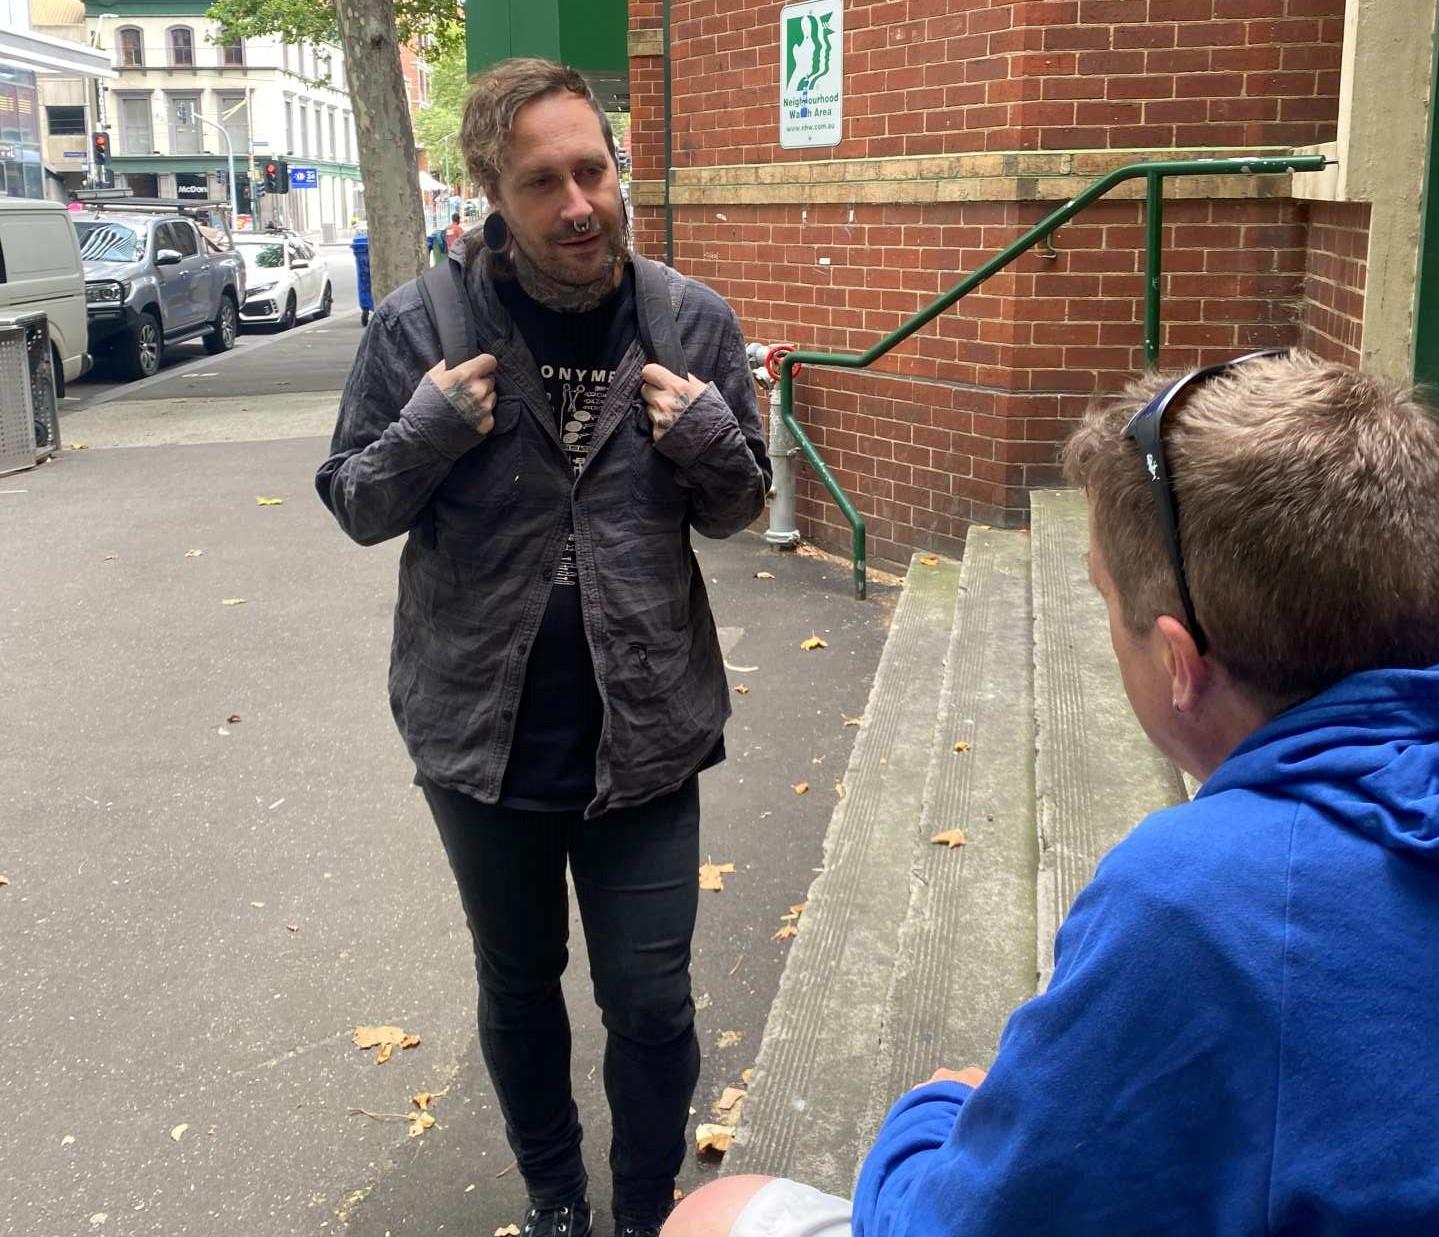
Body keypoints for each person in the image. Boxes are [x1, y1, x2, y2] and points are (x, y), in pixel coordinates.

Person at [665, 349, 1439, 1236]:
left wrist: (930, 1113)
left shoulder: (1199, 898)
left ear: (1179, 664)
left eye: (1103, 598)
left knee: (716, 1210)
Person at [316, 57, 770, 1237]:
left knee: (651, 1001)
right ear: (490, 200)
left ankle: (640, 1209)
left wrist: (712, 439)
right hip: (480, 735)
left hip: (648, 732)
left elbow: (738, 511)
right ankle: (556, 1197)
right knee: (519, 987)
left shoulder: (689, 322)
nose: (578, 204)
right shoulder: (417, 326)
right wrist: (423, 433)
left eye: (593, 171)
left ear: (616, 172)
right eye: (542, 183)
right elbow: (358, 501)